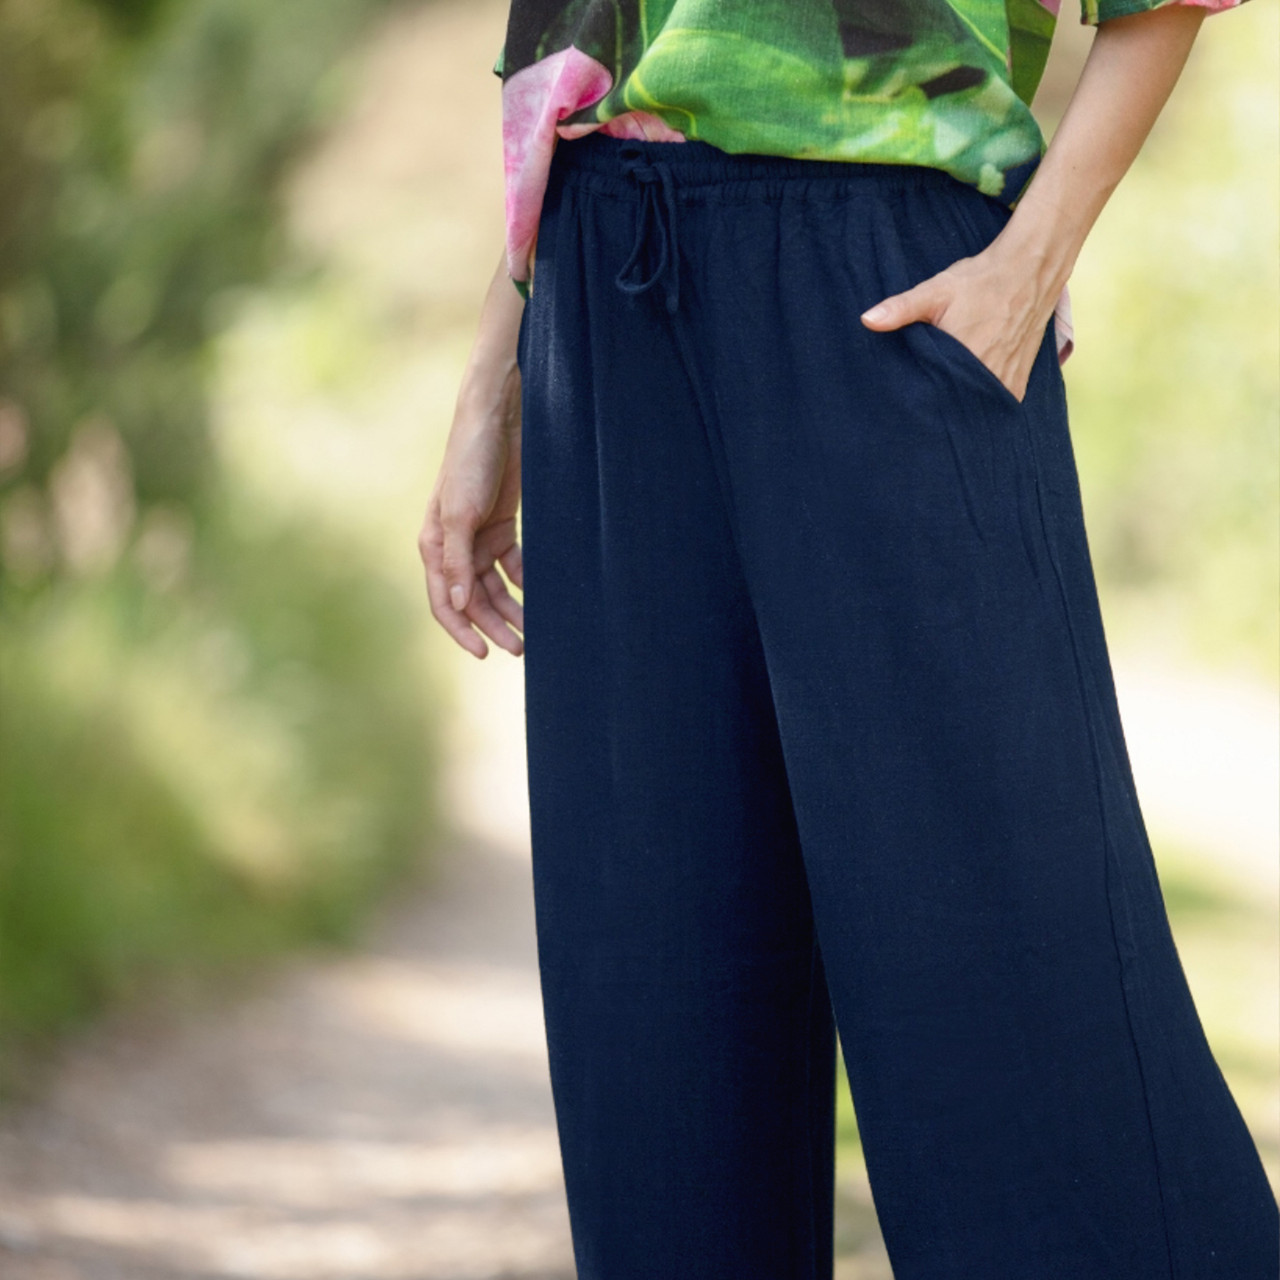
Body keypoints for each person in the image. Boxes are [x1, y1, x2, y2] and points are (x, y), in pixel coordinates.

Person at [419, 0, 1280, 1275]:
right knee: (661, 1011)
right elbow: (570, 46)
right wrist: (496, 373)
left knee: (1006, 980)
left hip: (881, 276)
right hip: (602, 287)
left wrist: (1028, 261)